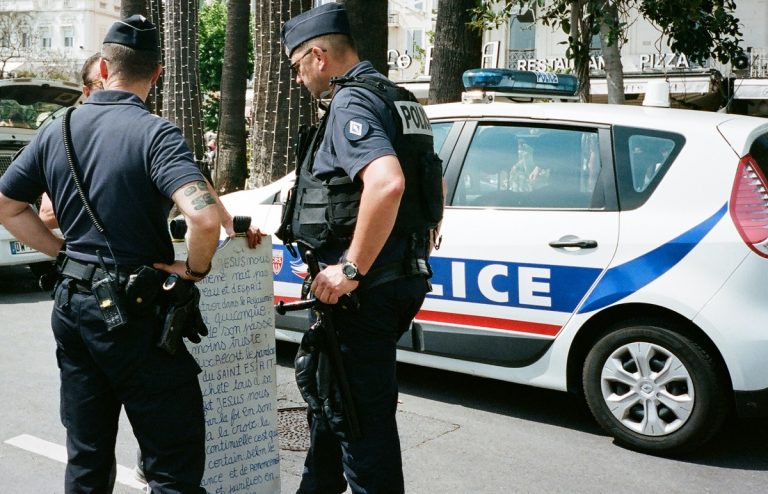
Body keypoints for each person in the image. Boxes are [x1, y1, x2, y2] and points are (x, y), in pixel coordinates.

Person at [0, 15, 220, 493]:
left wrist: (64, 253)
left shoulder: (57, 129)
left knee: (87, 455)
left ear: (102, 67)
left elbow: (8, 206)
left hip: (75, 305)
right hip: (138, 314)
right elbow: (205, 218)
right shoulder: (156, 134)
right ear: (157, 73)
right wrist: (194, 270)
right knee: (172, 466)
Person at [279, 3, 443, 493]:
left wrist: (349, 268)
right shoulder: (399, 98)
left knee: (360, 425)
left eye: (296, 67)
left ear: (318, 56)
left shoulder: (351, 103)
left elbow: (389, 184)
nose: (297, 78)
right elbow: (428, 183)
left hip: (362, 293)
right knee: (334, 405)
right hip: (399, 276)